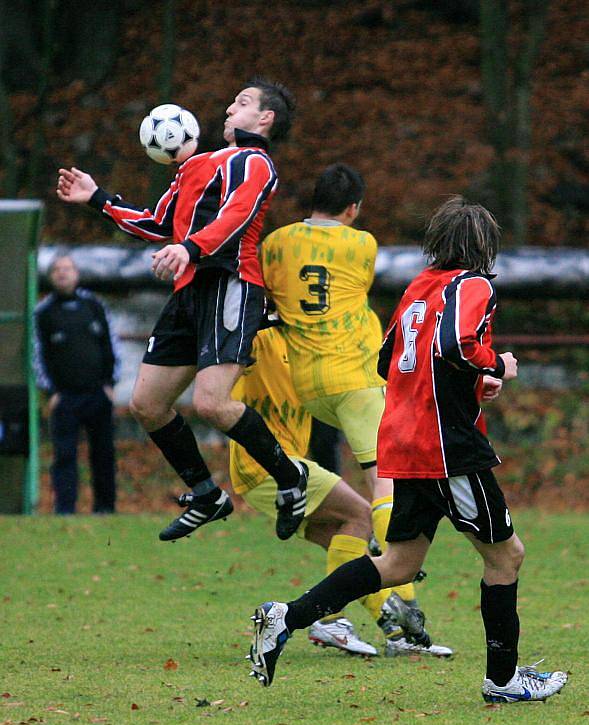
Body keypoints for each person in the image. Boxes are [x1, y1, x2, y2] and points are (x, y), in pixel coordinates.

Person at [247, 196, 568, 704]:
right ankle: (503, 681)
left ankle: (287, 616)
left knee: (397, 563)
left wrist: (470, 384)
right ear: (484, 245)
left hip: (405, 441)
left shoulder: (420, 288)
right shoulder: (473, 284)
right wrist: (497, 365)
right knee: (507, 557)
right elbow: (457, 345)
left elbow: (387, 363)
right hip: (447, 448)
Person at [56, 78, 308, 541]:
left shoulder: (256, 162)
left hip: (230, 283)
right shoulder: (200, 165)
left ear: (265, 119)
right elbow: (158, 224)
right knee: (147, 404)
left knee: (212, 403)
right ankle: (207, 495)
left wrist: (190, 249)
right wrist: (97, 198)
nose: (230, 108)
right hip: (190, 290)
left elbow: (238, 213)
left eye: (244, 102)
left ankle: (291, 478)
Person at [230, 320, 452, 657]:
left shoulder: (307, 347)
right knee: (362, 515)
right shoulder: (255, 337)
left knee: (349, 547)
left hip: (280, 466)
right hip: (267, 466)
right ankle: (331, 621)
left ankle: (397, 633)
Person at [261, 163, 395, 561]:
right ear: (353, 208)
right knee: (385, 480)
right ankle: (399, 578)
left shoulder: (275, 243)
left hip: (306, 382)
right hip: (356, 376)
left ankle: (368, 552)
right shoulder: (362, 244)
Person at [34, 255, 120, 515]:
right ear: (51, 277)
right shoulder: (44, 312)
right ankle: (65, 509)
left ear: (76, 273)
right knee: (64, 456)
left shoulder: (94, 306)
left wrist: (110, 384)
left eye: (67, 268)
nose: (63, 273)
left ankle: (105, 508)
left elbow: (111, 344)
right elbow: (37, 355)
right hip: (65, 398)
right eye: (57, 270)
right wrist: (51, 391)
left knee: (103, 454)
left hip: (98, 394)